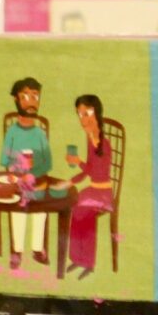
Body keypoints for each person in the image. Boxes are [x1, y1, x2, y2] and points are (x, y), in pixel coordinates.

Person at [0, 78, 55, 271]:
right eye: (25, 97)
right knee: (18, 209)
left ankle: (38, 249)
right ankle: (17, 251)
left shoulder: (40, 134)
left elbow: (48, 162)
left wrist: (33, 173)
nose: (31, 101)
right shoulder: (12, 132)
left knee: (41, 210)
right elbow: (5, 160)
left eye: (35, 96)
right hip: (17, 182)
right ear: (16, 100)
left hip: (37, 182)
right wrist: (16, 171)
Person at [60, 93, 116, 279]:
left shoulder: (104, 143)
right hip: (92, 189)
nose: (83, 119)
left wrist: (78, 162)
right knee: (74, 207)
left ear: (96, 113)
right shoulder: (89, 138)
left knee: (84, 211)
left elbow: (95, 172)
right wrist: (70, 181)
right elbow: (87, 172)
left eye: (87, 113)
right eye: (80, 114)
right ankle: (77, 259)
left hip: (103, 193)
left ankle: (88, 263)